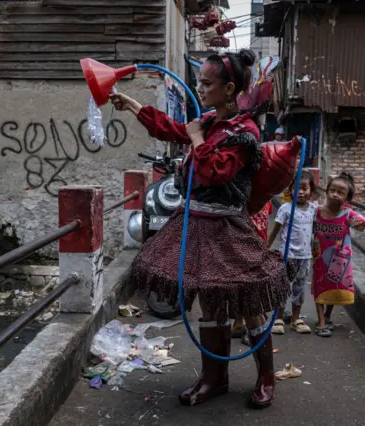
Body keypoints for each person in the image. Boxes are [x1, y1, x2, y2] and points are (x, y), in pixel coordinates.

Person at [109, 49, 291, 409]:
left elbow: (216, 171)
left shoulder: (246, 132)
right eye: (199, 82)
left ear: (229, 89)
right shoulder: (209, 121)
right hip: (195, 223)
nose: (200, 88)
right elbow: (172, 129)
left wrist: (195, 138)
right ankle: (214, 379)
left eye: (207, 83)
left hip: (227, 226)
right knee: (210, 304)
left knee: (247, 299)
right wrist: (133, 106)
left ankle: (266, 378)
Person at [312, 172, 365, 337]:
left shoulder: (348, 215)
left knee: (335, 285)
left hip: (339, 258)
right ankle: (321, 321)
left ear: (347, 198)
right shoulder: (316, 212)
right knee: (319, 286)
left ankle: (328, 316)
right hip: (319, 257)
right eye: (333, 190)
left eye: (341, 192)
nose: (335, 194)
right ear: (327, 190)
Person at [266, 171, 316, 335]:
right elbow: (275, 230)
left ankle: (296, 319)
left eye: (304, 188)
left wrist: (316, 248)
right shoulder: (286, 208)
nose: (300, 192)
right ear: (290, 190)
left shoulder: (313, 210)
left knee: (300, 289)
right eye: (296, 188)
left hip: (305, 257)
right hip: (287, 256)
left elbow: (315, 231)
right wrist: (265, 249)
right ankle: (278, 318)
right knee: (283, 287)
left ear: (311, 190)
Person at [232, 199, 274, 346]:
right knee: (247, 288)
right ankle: (250, 328)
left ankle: (238, 324)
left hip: (259, 249)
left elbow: (266, 222)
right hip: (245, 249)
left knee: (250, 287)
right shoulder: (244, 200)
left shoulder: (267, 202)